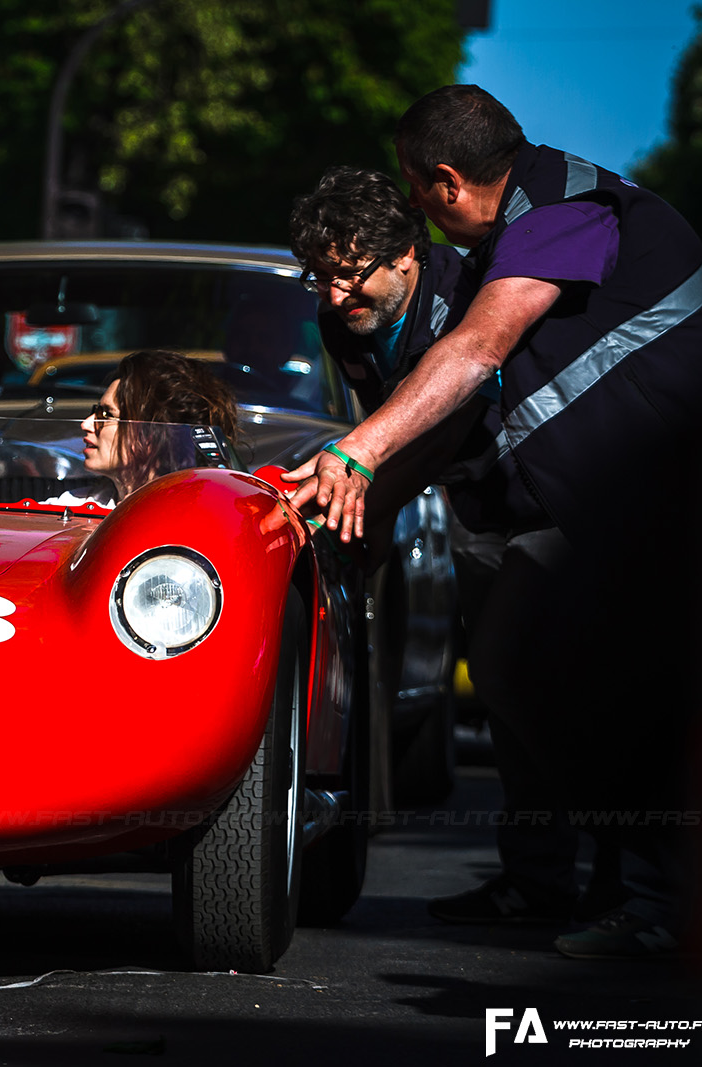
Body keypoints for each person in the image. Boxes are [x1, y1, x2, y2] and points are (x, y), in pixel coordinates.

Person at [287, 85, 702, 958]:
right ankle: (602, 886)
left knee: (553, 673)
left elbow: (476, 357)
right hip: (604, 505)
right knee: (539, 676)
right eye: (319, 277)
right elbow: (432, 436)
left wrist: (357, 453)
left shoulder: (559, 208)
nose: (334, 296)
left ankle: (659, 891)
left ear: (442, 186)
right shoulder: (509, 234)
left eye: (415, 191)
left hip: (654, 505)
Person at [289, 165, 627, 926]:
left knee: (543, 690)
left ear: (408, 252)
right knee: (511, 713)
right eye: (319, 278)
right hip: (479, 511)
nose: (336, 298)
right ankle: (538, 880)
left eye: (351, 276)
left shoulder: (473, 290)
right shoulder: (340, 317)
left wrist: (367, 486)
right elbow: (405, 431)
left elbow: (441, 425)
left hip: (554, 504)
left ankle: (630, 878)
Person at [49, 349, 240, 508]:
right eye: (96, 411)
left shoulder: (198, 514)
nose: (86, 424)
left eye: (105, 415)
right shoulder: (75, 506)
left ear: (151, 434)